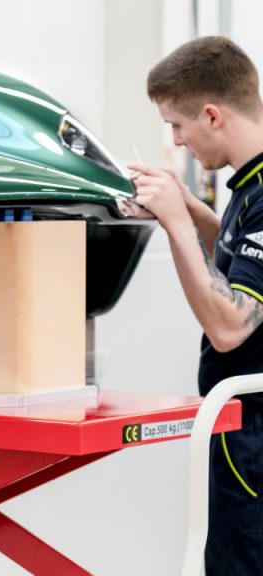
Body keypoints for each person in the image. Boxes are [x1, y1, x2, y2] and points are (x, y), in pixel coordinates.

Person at [123, 36, 263, 573]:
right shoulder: (248, 186)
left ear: (212, 115)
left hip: (253, 432)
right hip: (241, 428)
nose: (177, 141)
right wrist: (188, 209)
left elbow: (232, 327)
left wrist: (178, 223)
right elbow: (235, 259)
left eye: (177, 126)